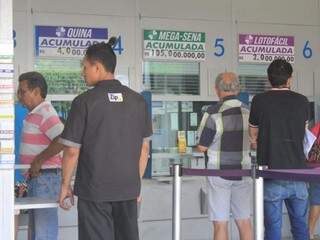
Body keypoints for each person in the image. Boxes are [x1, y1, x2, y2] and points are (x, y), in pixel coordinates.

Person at [58, 37, 153, 240]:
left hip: (94, 192)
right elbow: (144, 149)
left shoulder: (84, 102)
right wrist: (135, 184)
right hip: (128, 191)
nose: (82, 72)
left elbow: (72, 150)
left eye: (85, 67)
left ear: (98, 67)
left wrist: (65, 186)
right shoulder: (138, 102)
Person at [249, 59, 310, 240]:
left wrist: (257, 141)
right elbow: (304, 134)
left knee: (273, 228)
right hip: (298, 172)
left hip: (271, 172)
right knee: (300, 227)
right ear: (290, 79)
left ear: (269, 79)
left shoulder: (259, 100)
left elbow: (253, 135)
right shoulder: (302, 101)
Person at [197, 72, 252, 240]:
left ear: (217, 90)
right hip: (244, 171)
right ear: (238, 89)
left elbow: (201, 147)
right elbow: (255, 141)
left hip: (218, 173)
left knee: (220, 222)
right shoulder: (249, 112)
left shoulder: (213, 113)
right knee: (244, 221)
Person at [17, 71, 64, 240]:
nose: (19, 96)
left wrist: (39, 160)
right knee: (36, 233)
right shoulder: (33, 114)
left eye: (23, 91)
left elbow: (62, 139)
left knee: (44, 233)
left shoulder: (45, 112)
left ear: (36, 91)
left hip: (46, 179)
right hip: (37, 179)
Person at [308, 122, 320, 240]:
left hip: (317, 170)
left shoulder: (318, 126)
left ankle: (310, 233)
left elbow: (307, 143)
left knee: (316, 201)